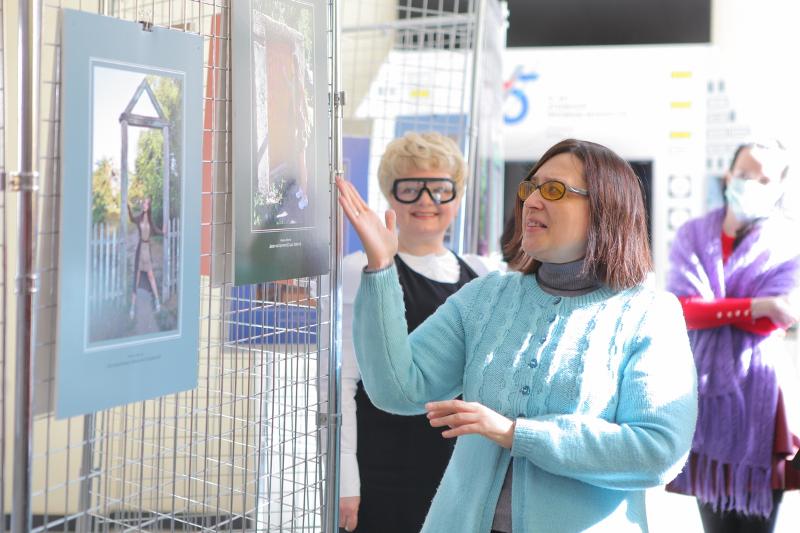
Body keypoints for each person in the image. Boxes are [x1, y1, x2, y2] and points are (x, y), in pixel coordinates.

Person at [336, 138, 698, 532]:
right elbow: (400, 390)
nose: (533, 201)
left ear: (605, 209)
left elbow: (657, 451)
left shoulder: (650, 314)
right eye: (531, 187)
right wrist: (381, 266)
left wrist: (516, 434)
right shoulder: (485, 296)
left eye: (554, 190)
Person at [338, 132, 501, 533]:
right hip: (384, 466)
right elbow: (343, 381)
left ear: (457, 198)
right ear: (390, 196)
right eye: (411, 189)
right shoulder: (363, 269)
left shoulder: (481, 273)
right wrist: (346, 483)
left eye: (440, 189)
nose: (426, 201)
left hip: (460, 468)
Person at [666, 140, 800, 533]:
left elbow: (778, 319)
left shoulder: (787, 243)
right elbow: (683, 309)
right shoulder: (694, 234)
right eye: (744, 174)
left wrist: (722, 308)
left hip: (762, 400)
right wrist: (759, 304)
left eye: (764, 179)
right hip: (703, 399)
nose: (751, 184)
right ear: (727, 176)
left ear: (779, 187)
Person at [128, 196, 164, 318]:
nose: (145, 205)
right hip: (140, 249)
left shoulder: (150, 220)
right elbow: (131, 219)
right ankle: (132, 307)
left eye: (147, 204)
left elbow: (156, 230)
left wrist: (163, 232)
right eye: (144, 203)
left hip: (147, 251)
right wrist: (128, 207)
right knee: (137, 278)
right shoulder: (139, 218)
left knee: (150, 276)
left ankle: (157, 302)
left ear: (149, 207)